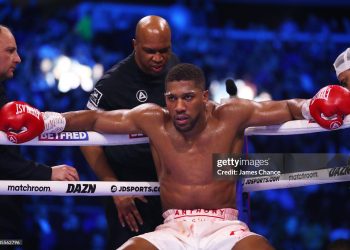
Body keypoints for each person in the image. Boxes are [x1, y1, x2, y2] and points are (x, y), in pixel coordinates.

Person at [1, 63, 348, 249]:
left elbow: (286, 107)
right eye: (171, 97)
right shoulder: (154, 119)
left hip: (226, 227)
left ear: (204, 96)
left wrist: (311, 106)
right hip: (170, 229)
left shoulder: (232, 114)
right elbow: (93, 119)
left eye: (187, 97)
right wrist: (47, 120)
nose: (178, 107)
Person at [80, 15, 179, 249]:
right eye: (150, 51)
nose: (158, 58)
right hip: (131, 196)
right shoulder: (113, 83)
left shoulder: (177, 70)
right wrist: (114, 187)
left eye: (163, 50)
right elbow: (86, 137)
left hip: (173, 190)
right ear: (134, 45)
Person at [0, 25, 79, 245]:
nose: (18, 59)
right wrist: (47, 174)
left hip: (9, 210)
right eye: (10, 51)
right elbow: (2, 161)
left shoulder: (2, 91)